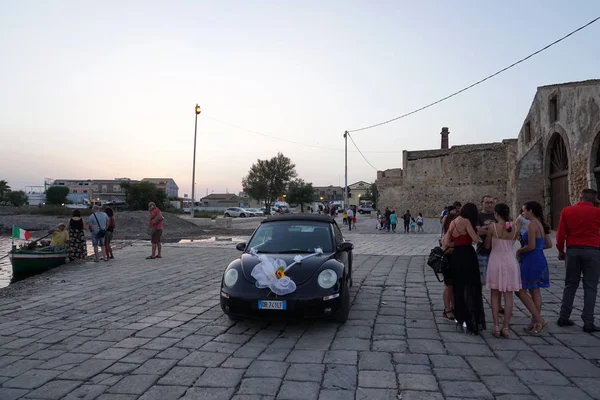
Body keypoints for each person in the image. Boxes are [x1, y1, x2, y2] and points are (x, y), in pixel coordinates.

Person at [556, 188, 600, 333]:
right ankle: (588, 322)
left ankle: (563, 317)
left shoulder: (567, 211)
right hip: (593, 250)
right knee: (590, 286)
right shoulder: (598, 212)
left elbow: (561, 233)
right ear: (595, 199)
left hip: (573, 250)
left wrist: (561, 250)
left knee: (570, 284)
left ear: (580, 197)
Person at [442, 203, 486, 334]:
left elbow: (446, 243)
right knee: (472, 286)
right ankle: (472, 321)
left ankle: (460, 318)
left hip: (456, 256)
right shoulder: (466, 221)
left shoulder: (453, 222)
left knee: (458, 287)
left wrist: (458, 242)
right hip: (467, 255)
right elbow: (475, 239)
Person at [516, 201, 551, 334]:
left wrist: (519, 251)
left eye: (524, 210)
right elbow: (548, 244)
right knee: (535, 291)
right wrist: (537, 249)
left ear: (530, 211)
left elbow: (530, 246)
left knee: (519, 290)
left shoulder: (531, 225)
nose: (523, 213)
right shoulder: (541, 224)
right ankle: (535, 322)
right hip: (539, 258)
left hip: (530, 260)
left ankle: (539, 319)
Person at [477, 195, 496, 285]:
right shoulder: (478, 216)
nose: (489, 205)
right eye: (487, 202)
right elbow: (478, 231)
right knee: (481, 281)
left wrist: (486, 229)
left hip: (496, 252)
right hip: (482, 251)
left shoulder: (496, 215)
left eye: (491, 202)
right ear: (482, 204)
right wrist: (492, 227)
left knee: (495, 283)